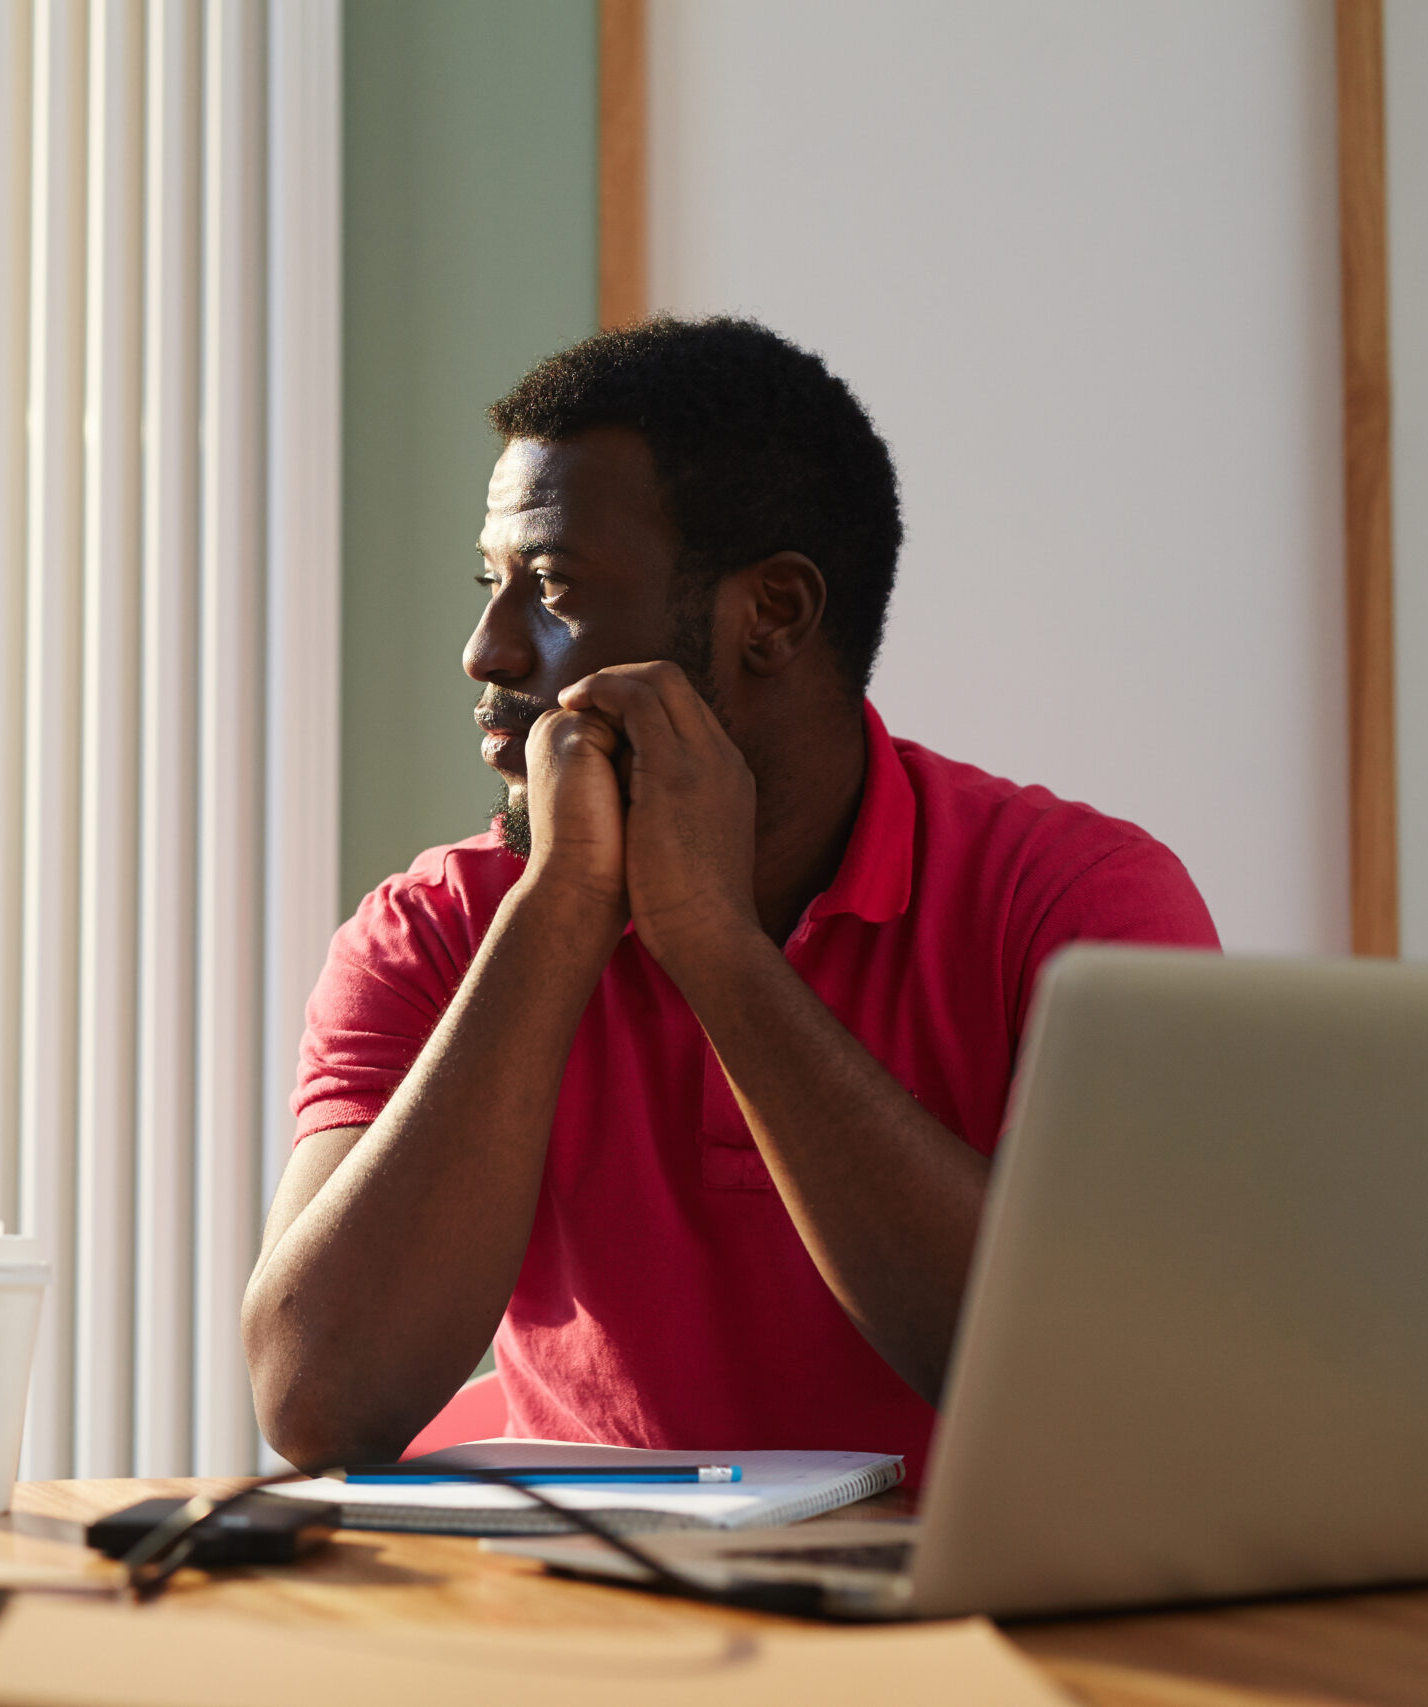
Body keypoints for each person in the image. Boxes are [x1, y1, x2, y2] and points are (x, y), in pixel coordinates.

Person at [242, 317, 1219, 1475]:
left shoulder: (1077, 904)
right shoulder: (435, 929)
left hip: (967, 1620)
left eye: (549, 588)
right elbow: (315, 1402)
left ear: (774, 615)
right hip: (579, 1621)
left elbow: (1092, 1388)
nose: (487, 651)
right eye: (489, 583)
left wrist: (714, 943)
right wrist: (557, 910)